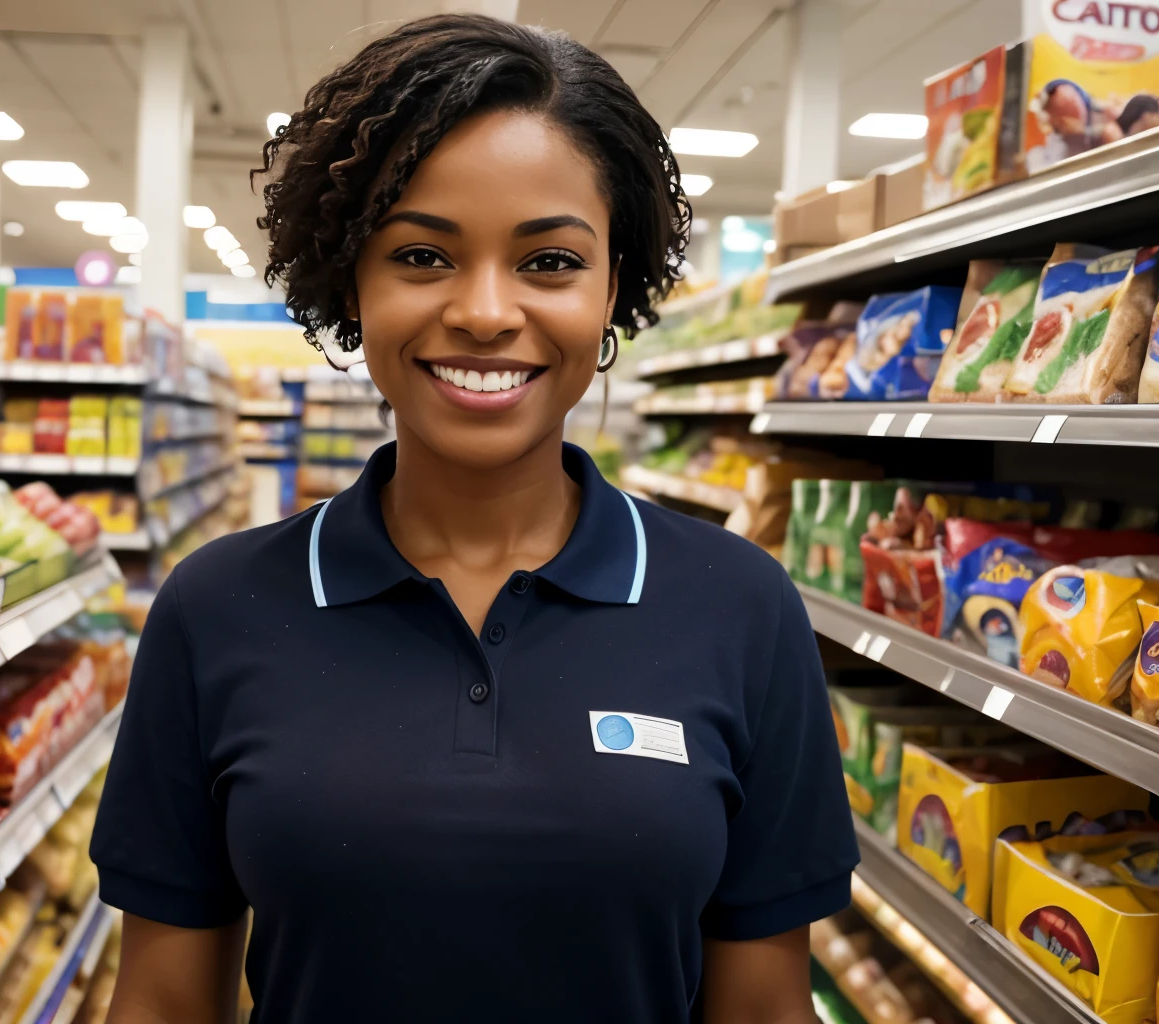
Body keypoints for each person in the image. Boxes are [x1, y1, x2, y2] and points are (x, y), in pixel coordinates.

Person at [91, 14, 857, 1024]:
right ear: (351, 284)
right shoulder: (217, 608)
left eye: (549, 262)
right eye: (421, 255)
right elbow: (160, 1001)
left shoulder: (739, 606)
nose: (488, 311)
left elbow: (764, 1008)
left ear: (612, 289)